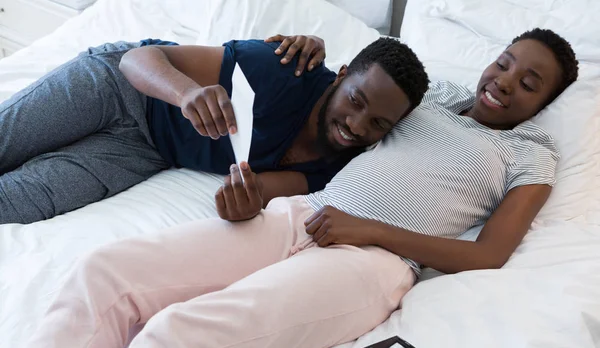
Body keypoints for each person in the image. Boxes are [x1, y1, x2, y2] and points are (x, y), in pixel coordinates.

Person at [0, 28, 578, 348]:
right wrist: (308, 45)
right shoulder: (432, 95)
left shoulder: (531, 154)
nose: (504, 82)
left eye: (529, 83)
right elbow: (361, 85)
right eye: (504, 63)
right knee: (104, 273)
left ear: (544, 103)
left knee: (174, 339)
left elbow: (488, 254)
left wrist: (369, 230)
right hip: (303, 214)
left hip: (373, 261)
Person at [0, 37, 428, 224]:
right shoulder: (282, 69)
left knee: (17, 204)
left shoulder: (339, 166)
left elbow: (258, 190)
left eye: (378, 124)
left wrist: (240, 207)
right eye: (356, 101)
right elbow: (138, 60)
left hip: (144, 152)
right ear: (342, 75)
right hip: (118, 87)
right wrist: (187, 93)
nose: (356, 126)